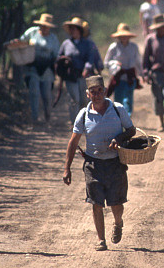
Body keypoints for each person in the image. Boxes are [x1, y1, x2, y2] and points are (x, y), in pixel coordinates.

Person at [62, 75, 136, 251]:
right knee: (96, 203)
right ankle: (101, 240)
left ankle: (118, 223)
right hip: (93, 165)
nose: (96, 95)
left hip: (115, 163)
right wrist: (67, 168)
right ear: (88, 94)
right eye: (93, 92)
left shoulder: (117, 109)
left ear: (105, 91)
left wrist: (119, 138)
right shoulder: (84, 114)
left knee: (116, 203)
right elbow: (73, 142)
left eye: (99, 91)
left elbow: (131, 130)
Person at [57, 17, 103, 125]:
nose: (73, 31)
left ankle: (85, 122)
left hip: (84, 76)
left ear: (80, 30)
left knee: (84, 100)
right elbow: (59, 57)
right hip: (70, 75)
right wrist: (62, 63)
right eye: (71, 29)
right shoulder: (66, 43)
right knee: (74, 99)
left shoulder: (87, 44)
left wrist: (87, 68)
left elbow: (90, 58)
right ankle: (75, 123)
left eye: (75, 28)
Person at [16, 13, 60, 124]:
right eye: (43, 25)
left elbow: (56, 55)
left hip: (47, 70)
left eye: (47, 26)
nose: (44, 28)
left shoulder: (53, 38)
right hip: (33, 67)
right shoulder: (32, 32)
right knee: (34, 93)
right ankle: (34, 118)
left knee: (46, 95)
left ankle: (47, 116)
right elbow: (21, 42)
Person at [103, 23, 143, 117]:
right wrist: (115, 64)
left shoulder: (134, 47)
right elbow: (106, 62)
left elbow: (138, 62)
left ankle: (127, 120)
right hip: (119, 77)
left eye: (125, 36)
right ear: (119, 36)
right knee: (118, 101)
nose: (124, 37)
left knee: (128, 100)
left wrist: (142, 74)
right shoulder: (113, 47)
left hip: (130, 77)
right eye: (122, 36)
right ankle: (119, 120)